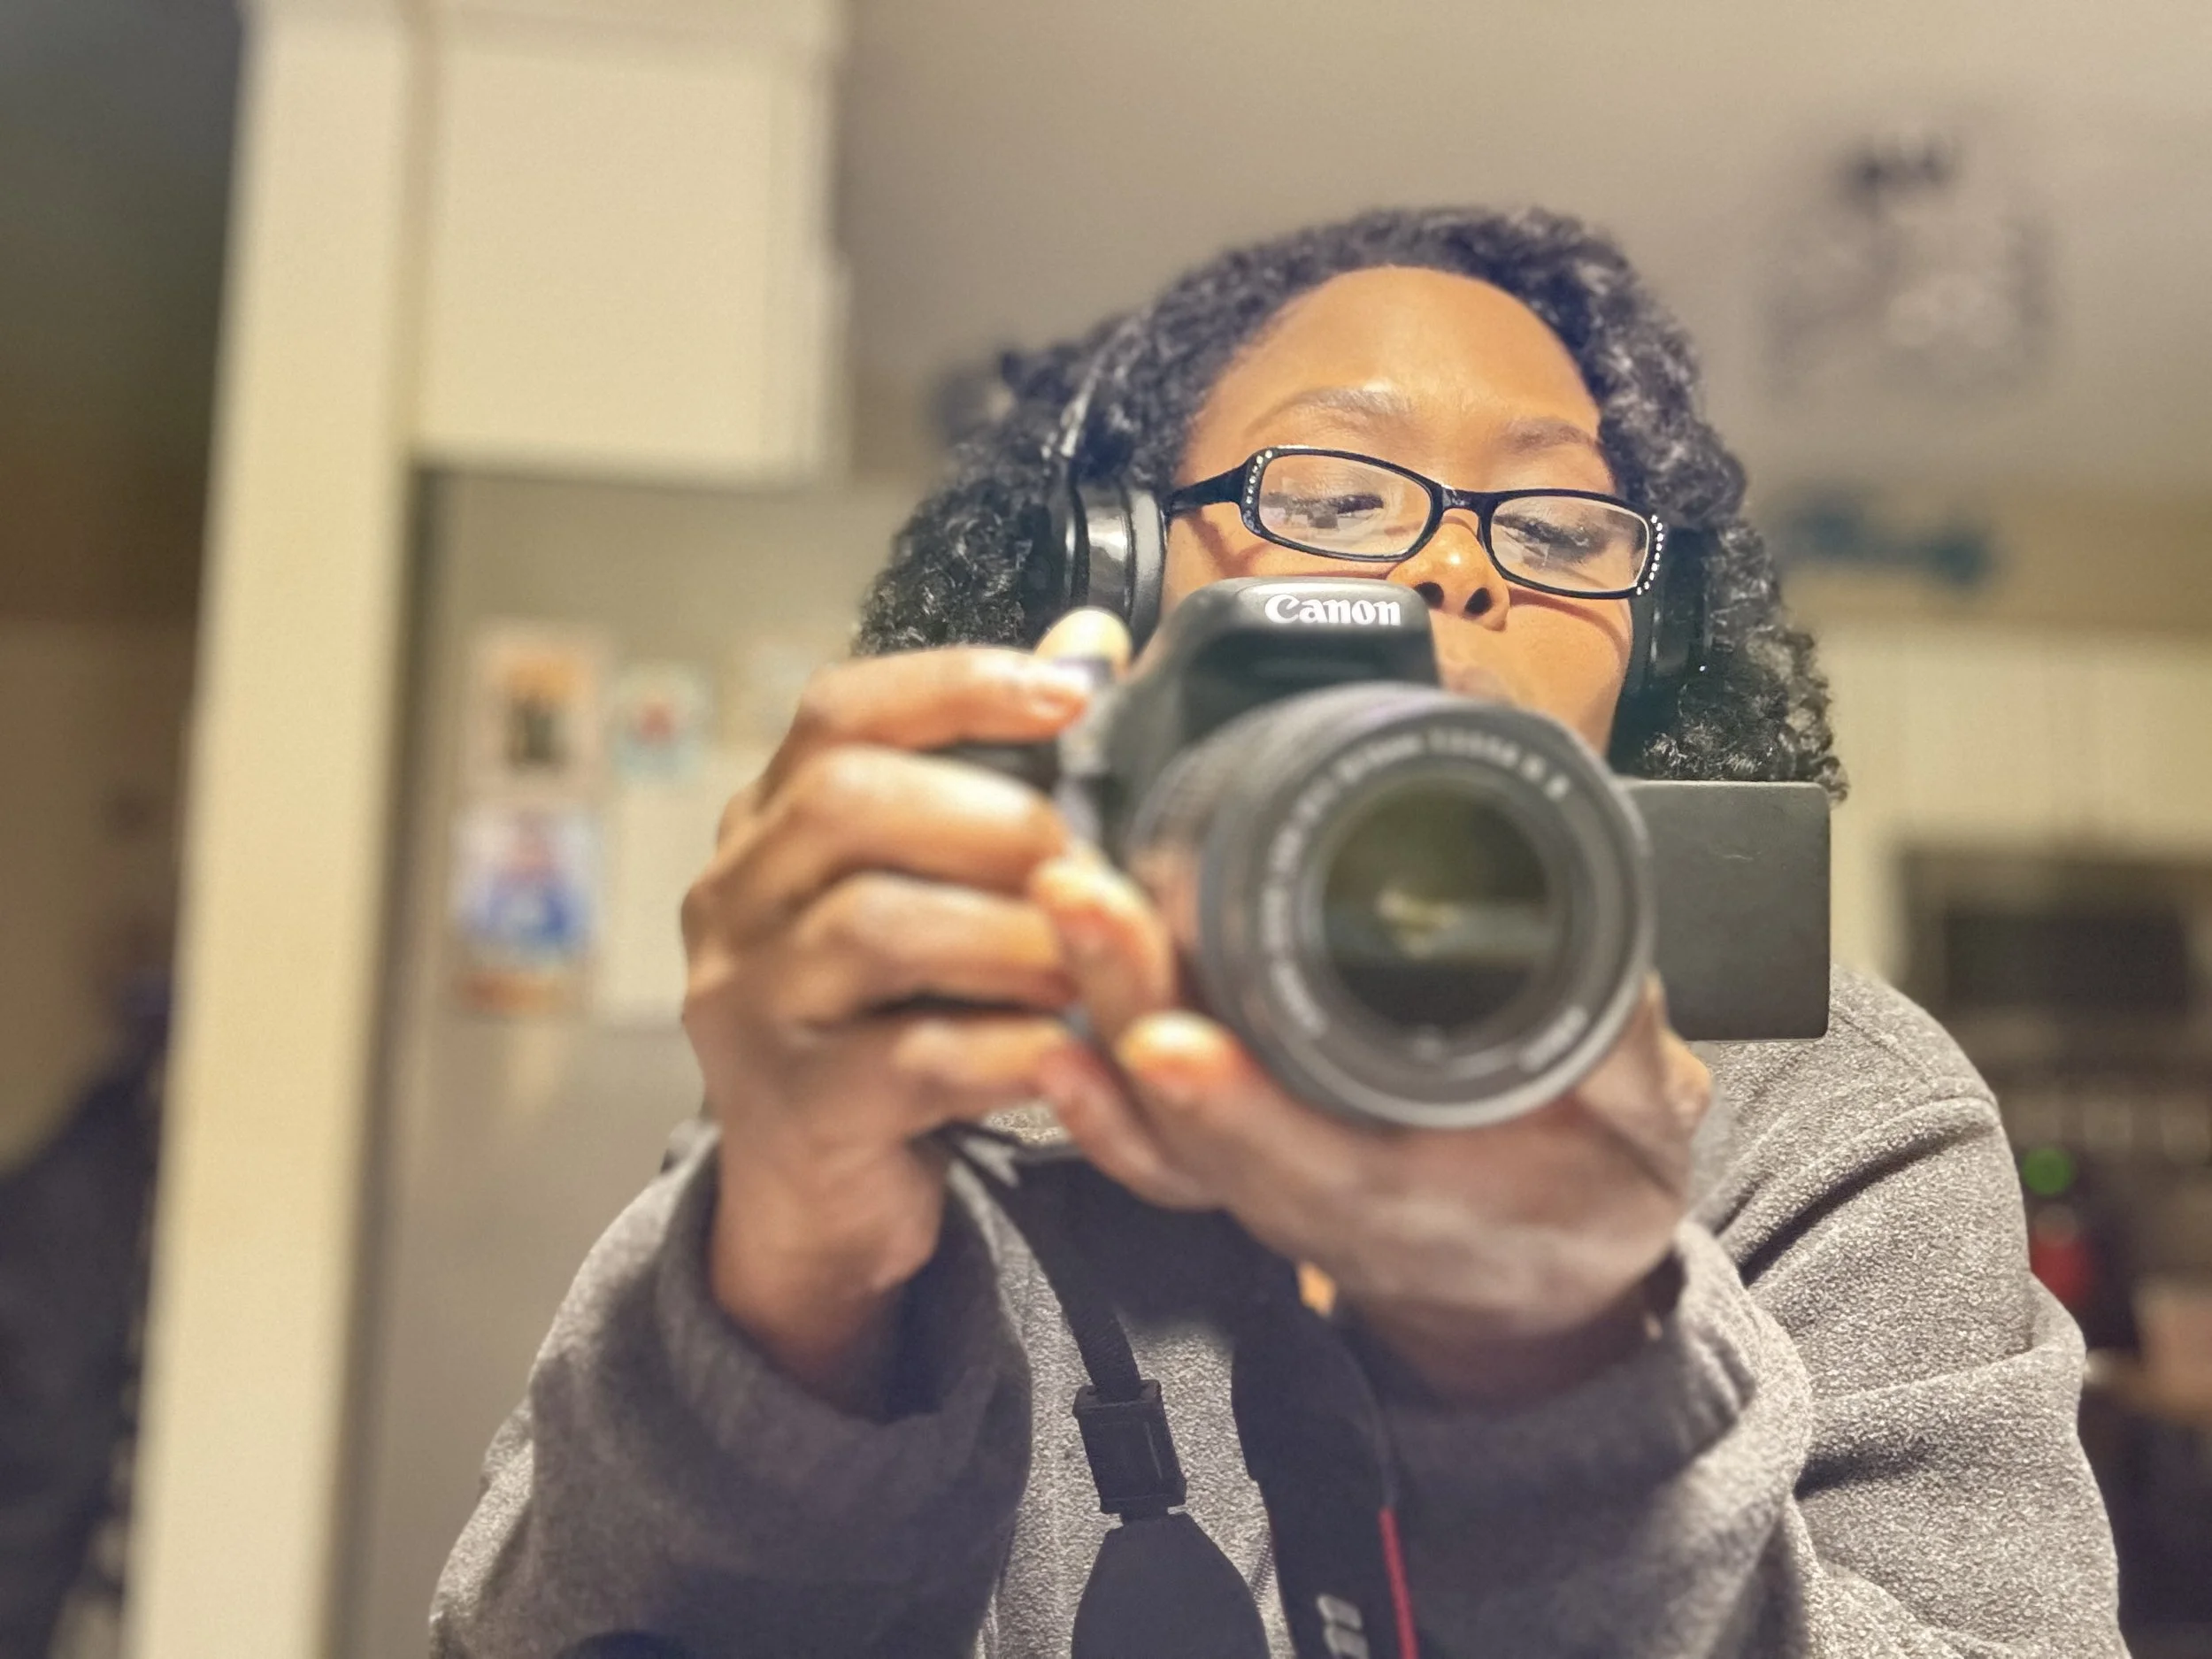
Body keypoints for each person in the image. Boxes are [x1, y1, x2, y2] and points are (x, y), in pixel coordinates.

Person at [432, 208, 2124, 1656]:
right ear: (1116, 566)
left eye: (1553, 527)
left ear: (1649, 656)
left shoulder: (1819, 1097)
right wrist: (792, 1287)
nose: (1463, 574)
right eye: (1331, 491)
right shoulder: (932, 1022)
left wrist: (1580, 1376)